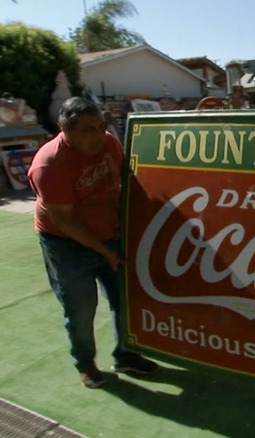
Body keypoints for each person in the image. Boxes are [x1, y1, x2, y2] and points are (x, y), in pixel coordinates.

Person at [27, 97, 158, 389]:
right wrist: (104, 252)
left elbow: (128, 184)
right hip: (65, 244)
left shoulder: (111, 143)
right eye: (88, 129)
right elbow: (64, 220)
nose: (98, 134)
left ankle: (126, 355)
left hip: (109, 233)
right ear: (66, 131)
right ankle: (86, 364)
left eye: (101, 126)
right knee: (81, 309)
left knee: (123, 299)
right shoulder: (49, 164)